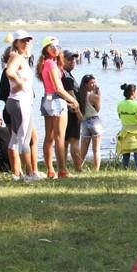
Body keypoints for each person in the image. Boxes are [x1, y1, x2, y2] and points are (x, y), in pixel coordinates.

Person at [36, 36, 82, 179]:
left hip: (47, 99)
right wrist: (74, 101)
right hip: (56, 101)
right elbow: (58, 88)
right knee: (59, 138)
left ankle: (51, 170)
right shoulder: (51, 64)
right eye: (52, 47)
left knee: (49, 137)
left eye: (57, 46)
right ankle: (62, 170)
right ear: (46, 49)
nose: (56, 49)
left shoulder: (45, 63)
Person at [4, 30, 41, 181]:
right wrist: (20, 84)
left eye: (28, 40)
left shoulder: (21, 58)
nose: (26, 43)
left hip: (19, 101)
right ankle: (30, 174)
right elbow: (9, 72)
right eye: (22, 41)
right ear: (16, 43)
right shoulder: (16, 57)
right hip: (20, 101)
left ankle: (17, 173)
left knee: (15, 138)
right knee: (24, 139)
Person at [62, 50, 83, 172]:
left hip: (66, 112)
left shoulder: (66, 74)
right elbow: (72, 97)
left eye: (74, 59)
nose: (72, 62)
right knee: (74, 142)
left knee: (64, 142)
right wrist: (79, 114)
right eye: (69, 59)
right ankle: (78, 168)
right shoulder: (66, 77)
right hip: (71, 113)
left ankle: (63, 168)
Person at [78, 74, 103, 171]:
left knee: (83, 150)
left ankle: (79, 167)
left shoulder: (79, 95)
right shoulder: (94, 96)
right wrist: (98, 94)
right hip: (94, 121)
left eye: (94, 83)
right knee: (96, 149)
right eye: (91, 83)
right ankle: (96, 170)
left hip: (84, 122)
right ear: (86, 85)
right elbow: (97, 109)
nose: (93, 85)